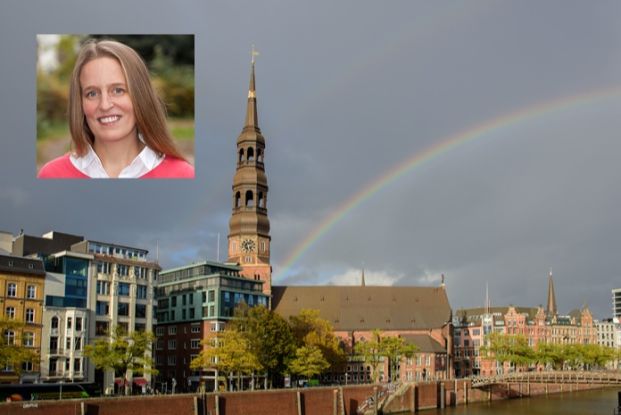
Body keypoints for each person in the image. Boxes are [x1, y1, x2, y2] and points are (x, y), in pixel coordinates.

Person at [38, 39, 194, 179]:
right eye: (92, 93)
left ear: (140, 97)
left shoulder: (182, 175)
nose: (105, 105)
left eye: (118, 90)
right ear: (80, 104)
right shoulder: (52, 175)